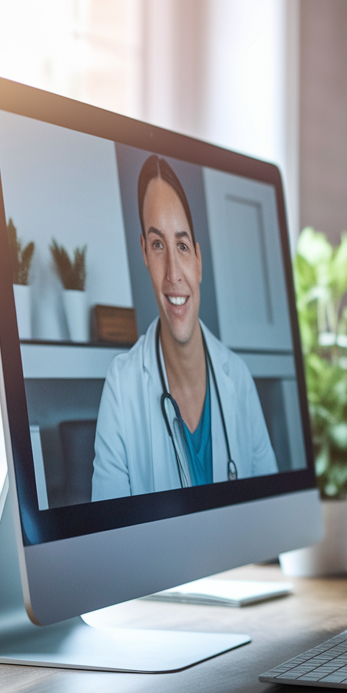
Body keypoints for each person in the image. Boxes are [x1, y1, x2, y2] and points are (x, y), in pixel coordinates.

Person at [91, 155, 278, 499]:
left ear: (198, 260)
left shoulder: (237, 377)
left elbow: (272, 518)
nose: (173, 274)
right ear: (145, 255)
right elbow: (111, 545)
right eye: (159, 245)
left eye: (181, 245)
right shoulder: (122, 386)